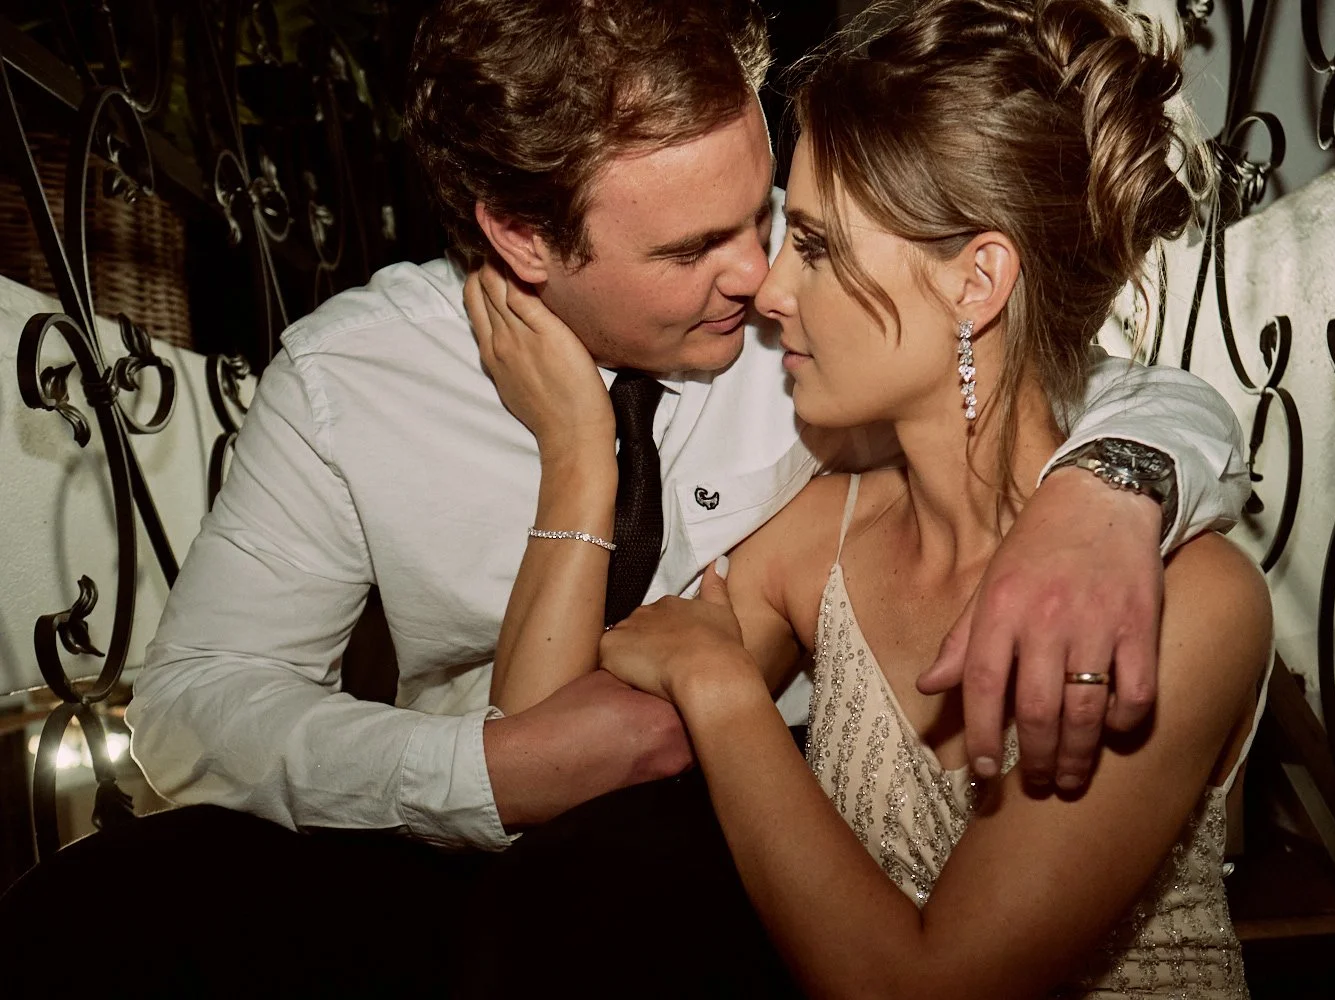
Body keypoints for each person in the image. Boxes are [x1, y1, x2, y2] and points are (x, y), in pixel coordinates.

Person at [0, 0, 1247, 994]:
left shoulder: (853, 333)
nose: (760, 276)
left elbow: (1072, 377)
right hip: (458, 829)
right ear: (523, 236)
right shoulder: (352, 376)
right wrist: (573, 475)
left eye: (775, 220)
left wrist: (1115, 489)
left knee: (594, 900)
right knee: (107, 909)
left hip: (709, 862)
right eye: (693, 248)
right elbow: (198, 704)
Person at [482, 0, 1273, 996]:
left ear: (975, 281)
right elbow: (545, 769)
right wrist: (578, 458)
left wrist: (723, 689)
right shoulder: (812, 543)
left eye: (814, 245)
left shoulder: (1182, 604)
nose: (769, 290)